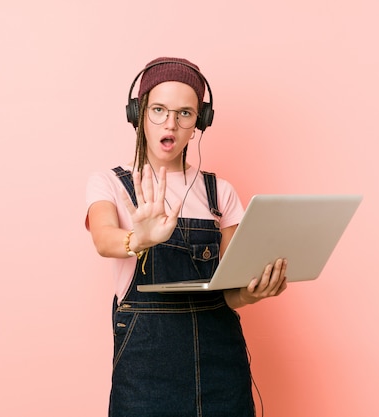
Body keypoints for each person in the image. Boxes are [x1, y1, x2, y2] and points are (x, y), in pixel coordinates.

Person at [85, 57, 288, 417]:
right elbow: (104, 240)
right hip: (145, 370)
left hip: (221, 366)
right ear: (138, 113)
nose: (171, 123)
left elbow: (231, 293)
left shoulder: (219, 192)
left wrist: (254, 292)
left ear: (200, 122)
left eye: (185, 114)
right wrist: (139, 239)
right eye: (159, 110)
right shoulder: (110, 184)